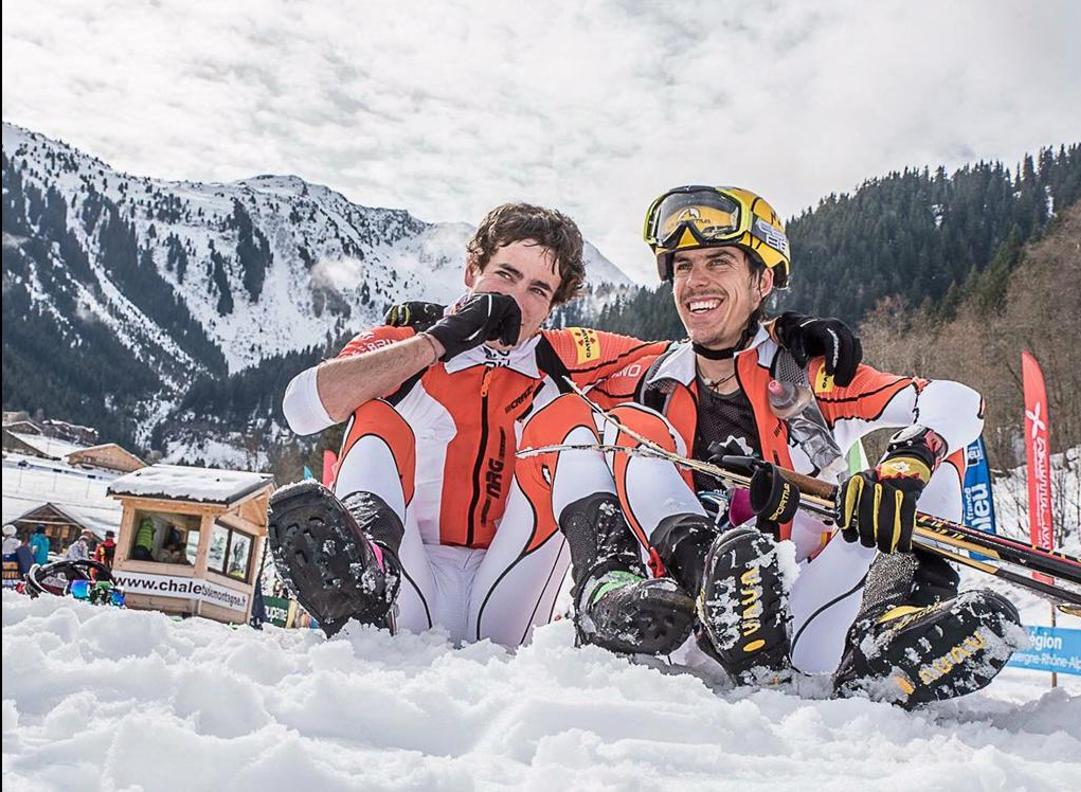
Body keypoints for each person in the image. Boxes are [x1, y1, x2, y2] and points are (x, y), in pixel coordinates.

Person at [268, 201, 853, 649]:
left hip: (510, 585)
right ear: (473, 271)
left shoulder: (565, 354)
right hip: (408, 576)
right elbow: (303, 407)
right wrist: (442, 339)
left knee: (576, 415)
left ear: (553, 305)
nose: (516, 300)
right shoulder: (406, 344)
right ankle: (363, 576)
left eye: (538, 289)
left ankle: (602, 585)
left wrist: (781, 335)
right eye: (504, 276)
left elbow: (695, 351)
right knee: (376, 414)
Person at [525, 184, 1021, 706]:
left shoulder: (805, 373)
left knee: (935, 454)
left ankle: (892, 623)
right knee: (614, 426)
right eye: (683, 266)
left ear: (762, 281)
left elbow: (958, 401)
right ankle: (613, 588)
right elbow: (525, 337)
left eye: (719, 262)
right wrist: (443, 325)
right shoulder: (650, 373)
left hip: (806, 611)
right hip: (688, 614)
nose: (696, 281)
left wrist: (906, 465)